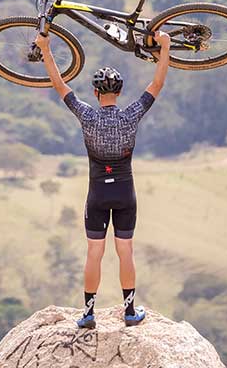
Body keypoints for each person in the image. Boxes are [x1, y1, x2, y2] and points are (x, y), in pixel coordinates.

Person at [34, 28, 171, 329]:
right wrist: (165, 47)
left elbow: (59, 85)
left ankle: (88, 314)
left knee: (94, 253)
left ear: (96, 94)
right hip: (125, 194)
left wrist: (45, 48)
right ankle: (130, 312)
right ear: (119, 93)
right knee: (125, 251)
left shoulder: (87, 116)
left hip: (97, 195)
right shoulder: (130, 116)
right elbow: (157, 83)